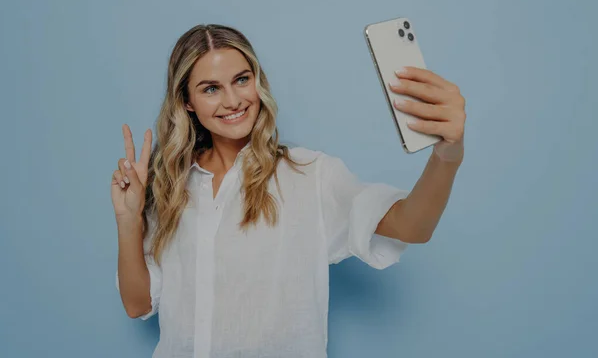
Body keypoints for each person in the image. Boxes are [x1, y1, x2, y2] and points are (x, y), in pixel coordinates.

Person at [112, 24, 466, 358]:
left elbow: (412, 226)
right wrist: (128, 219)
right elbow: (138, 304)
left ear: (257, 82)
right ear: (187, 101)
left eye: (241, 80)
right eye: (210, 89)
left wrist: (447, 154)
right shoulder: (171, 187)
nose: (233, 100)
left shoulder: (309, 174)